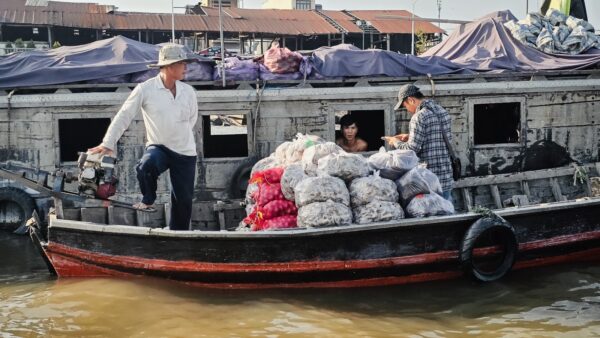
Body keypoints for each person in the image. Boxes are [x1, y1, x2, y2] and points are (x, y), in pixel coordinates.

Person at [88, 44, 198, 231]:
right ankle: (148, 199)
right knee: (145, 166)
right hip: (159, 146)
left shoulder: (188, 91)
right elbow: (124, 115)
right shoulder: (145, 89)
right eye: (182, 64)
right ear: (170, 66)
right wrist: (107, 143)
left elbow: (191, 119)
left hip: (185, 151)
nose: (186, 68)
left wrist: (178, 134)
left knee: (184, 200)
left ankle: (179, 235)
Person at [385, 84, 454, 201]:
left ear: (411, 100)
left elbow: (412, 149)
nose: (406, 109)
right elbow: (438, 138)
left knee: (432, 217)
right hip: (446, 175)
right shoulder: (442, 111)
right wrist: (409, 136)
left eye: (405, 105)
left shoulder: (419, 117)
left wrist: (395, 142)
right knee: (447, 213)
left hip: (429, 179)